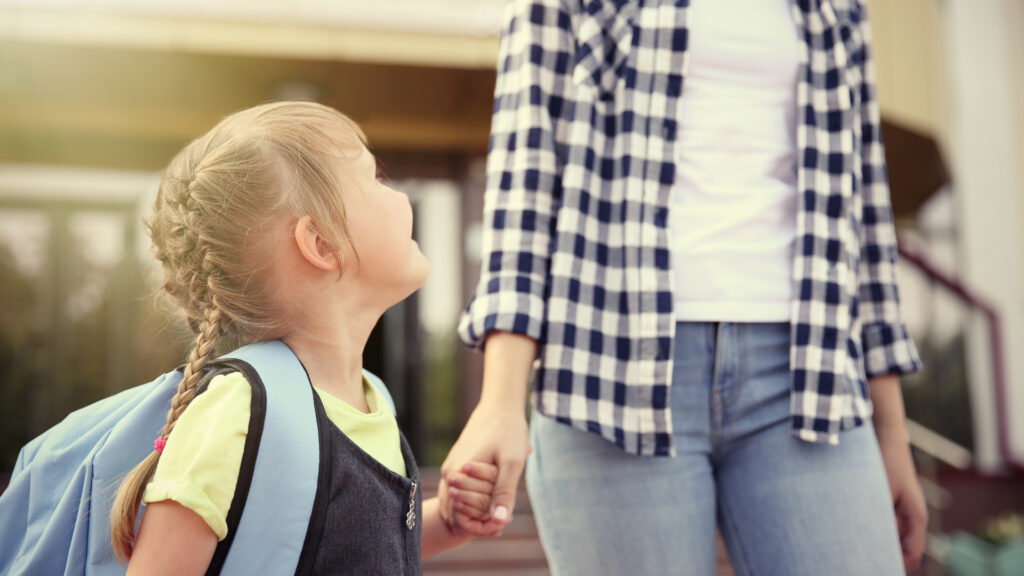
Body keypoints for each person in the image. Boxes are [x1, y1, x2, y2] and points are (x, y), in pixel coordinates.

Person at [441, 0, 929, 574]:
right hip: (609, 372)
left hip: (809, 374)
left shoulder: (837, 9)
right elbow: (525, 180)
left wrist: (891, 434)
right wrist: (500, 400)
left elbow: (866, 206)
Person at [109, 101, 496, 574]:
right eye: (375, 178)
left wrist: (447, 522)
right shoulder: (238, 413)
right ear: (322, 244)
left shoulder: (370, 400)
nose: (400, 197)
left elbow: (352, 551)